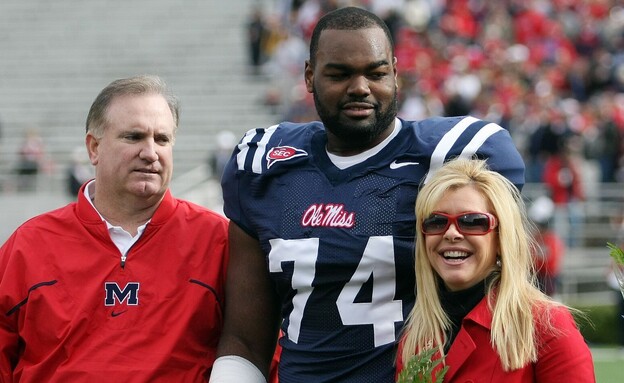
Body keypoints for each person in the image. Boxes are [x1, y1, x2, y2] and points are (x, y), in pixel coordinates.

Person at [211, 7, 525, 383]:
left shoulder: (447, 155)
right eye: (340, 74)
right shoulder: (266, 164)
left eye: (375, 73)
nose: (360, 87)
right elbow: (246, 338)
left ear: (395, 73)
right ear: (310, 77)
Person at [0, 75, 229, 382]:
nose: (150, 153)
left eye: (162, 139)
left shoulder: (220, 240)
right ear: (93, 148)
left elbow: (261, 351)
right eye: (134, 137)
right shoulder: (28, 245)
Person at [397, 158, 594, 382]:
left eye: (472, 221)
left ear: (501, 239)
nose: (451, 233)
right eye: (436, 222)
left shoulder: (548, 327)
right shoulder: (415, 340)